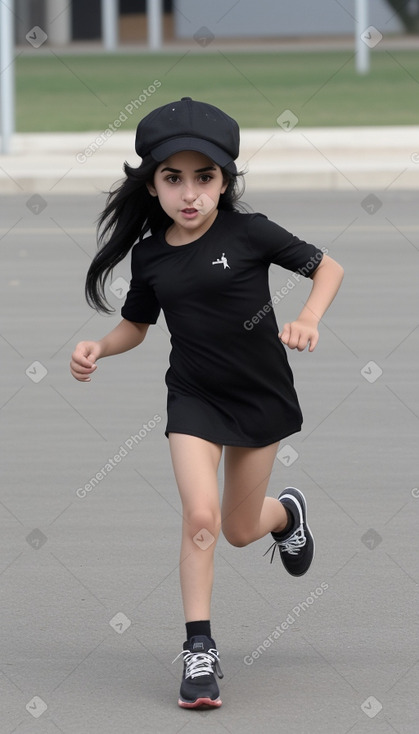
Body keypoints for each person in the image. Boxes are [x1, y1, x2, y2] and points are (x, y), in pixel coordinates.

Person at [70, 97, 344, 709]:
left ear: (226, 180)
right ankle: (199, 651)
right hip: (192, 397)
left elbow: (328, 268)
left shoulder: (250, 232)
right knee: (202, 521)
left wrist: (307, 317)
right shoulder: (150, 255)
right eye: (173, 178)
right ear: (152, 184)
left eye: (205, 177)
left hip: (259, 396)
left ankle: (286, 515)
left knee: (242, 529)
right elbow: (137, 326)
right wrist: (99, 347)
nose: (189, 193)